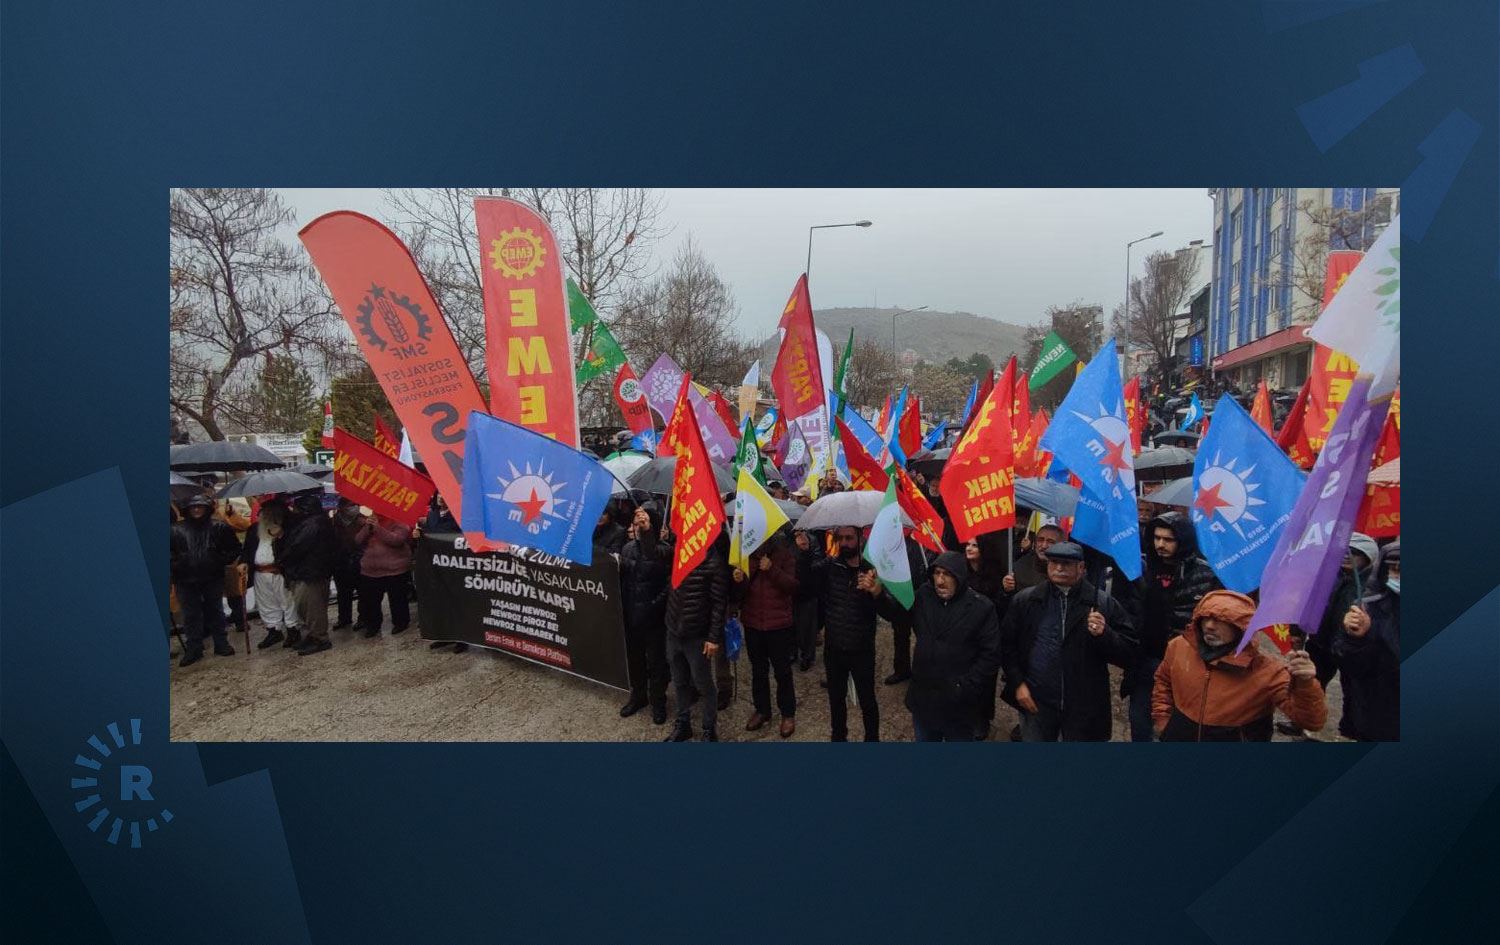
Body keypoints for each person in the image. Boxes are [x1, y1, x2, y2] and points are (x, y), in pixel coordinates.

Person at [999, 541, 1137, 741]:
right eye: (1054, 562)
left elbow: (1129, 653)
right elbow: (1008, 646)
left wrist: (1105, 634)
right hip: (1036, 701)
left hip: (1083, 706)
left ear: (1081, 568)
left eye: (1066, 563)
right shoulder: (1027, 600)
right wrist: (1017, 684)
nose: (1059, 568)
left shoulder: (1103, 604)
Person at [1152, 590, 1327, 740]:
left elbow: (1311, 721)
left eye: (1221, 620)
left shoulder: (1268, 671)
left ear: (1241, 628)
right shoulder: (1179, 647)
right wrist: (1163, 722)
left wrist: (1305, 684)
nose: (1210, 626)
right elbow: (1163, 681)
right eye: (1205, 618)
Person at [1129, 511, 1221, 741]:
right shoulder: (1142, 569)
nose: (1160, 544)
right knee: (1139, 722)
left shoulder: (1205, 574)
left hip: (1186, 663)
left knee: (1177, 725)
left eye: (1168, 539)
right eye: (1157, 538)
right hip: (1146, 660)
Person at [904, 550, 1003, 741]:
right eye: (937, 573)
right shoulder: (924, 595)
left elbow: (990, 655)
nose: (940, 580)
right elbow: (899, 615)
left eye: (947, 574)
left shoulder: (981, 607)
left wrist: (964, 686)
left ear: (960, 576)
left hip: (958, 705)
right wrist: (878, 595)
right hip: (924, 698)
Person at [805, 526, 886, 741]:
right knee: (836, 699)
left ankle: (872, 741)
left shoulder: (873, 569)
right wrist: (804, 552)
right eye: (840, 538)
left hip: (862, 649)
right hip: (834, 649)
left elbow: (893, 612)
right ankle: (838, 738)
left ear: (860, 539)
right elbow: (806, 582)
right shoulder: (831, 565)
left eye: (849, 538)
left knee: (867, 700)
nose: (844, 543)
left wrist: (877, 592)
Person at [662, 534, 731, 742]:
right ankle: (683, 724)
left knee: (704, 685)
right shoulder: (678, 553)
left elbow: (719, 605)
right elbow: (653, 553)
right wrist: (647, 532)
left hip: (697, 637)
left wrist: (713, 638)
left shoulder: (714, 562)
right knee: (680, 682)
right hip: (674, 632)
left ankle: (709, 729)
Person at [732, 527, 799, 738]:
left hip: (778, 626)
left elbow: (793, 587)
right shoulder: (744, 557)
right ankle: (762, 710)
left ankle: (788, 713)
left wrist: (771, 569)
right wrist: (737, 580)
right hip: (752, 625)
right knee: (758, 671)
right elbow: (737, 595)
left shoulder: (784, 554)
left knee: (783, 672)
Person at [1332, 539, 1399, 741]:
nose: (1397, 574)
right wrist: (1355, 638)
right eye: (1392, 569)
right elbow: (1355, 667)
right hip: (1376, 711)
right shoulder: (1367, 609)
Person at [169, 494, 243, 666]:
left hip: (212, 577)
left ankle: (221, 643)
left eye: (200, 506)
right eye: (193, 507)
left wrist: (219, 559)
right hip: (185, 579)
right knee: (190, 615)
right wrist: (177, 564)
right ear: (186, 509)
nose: (196, 510)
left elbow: (235, 548)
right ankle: (194, 648)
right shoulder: (174, 530)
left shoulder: (219, 527)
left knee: (215, 611)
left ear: (207, 508)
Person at [618, 502, 671, 724]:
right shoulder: (628, 548)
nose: (638, 526)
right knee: (635, 661)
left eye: (645, 523)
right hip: (632, 618)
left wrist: (653, 605)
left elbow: (669, 585)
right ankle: (638, 696)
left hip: (654, 619)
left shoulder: (665, 550)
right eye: (637, 522)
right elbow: (621, 581)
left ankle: (658, 701)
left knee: (657, 664)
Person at [239, 495, 301, 650]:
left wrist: (280, 536)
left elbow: (293, 550)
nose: (264, 516)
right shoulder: (254, 529)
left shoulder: (288, 529)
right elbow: (247, 550)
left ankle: (293, 630)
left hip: (279, 573)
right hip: (260, 573)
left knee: (287, 602)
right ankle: (274, 631)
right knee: (266, 604)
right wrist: (243, 562)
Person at [279, 492, 336, 656]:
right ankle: (313, 635)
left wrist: (284, 554)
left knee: (313, 607)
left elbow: (297, 547)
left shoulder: (313, 524)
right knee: (305, 606)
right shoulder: (310, 522)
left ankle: (320, 638)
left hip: (312, 572)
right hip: (307, 571)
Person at [962, 534, 1007, 739]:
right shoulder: (960, 572)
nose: (969, 548)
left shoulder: (996, 575)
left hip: (988, 635)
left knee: (986, 679)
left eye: (975, 545)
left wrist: (1006, 592)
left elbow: (1000, 606)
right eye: (968, 545)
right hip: (965, 634)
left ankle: (983, 719)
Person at [355, 509, 413, 637]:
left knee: (397, 598)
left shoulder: (399, 519)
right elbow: (358, 540)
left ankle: (400, 623)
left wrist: (378, 528)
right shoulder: (369, 520)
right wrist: (367, 528)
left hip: (395, 568)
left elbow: (397, 540)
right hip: (371, 569)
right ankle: (372, 625)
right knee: (371, 600)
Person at [791, 528, 824, 671]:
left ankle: (808, 656)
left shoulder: (812, 540)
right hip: (791, 588)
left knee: (808, 626)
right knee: (792, 624)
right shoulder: (787, 540)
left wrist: (805, 551)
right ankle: (793, 652)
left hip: (808, 589)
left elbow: (815, 565)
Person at [330, 498, 364, 630]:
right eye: (351, 505)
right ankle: (344, 618)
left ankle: (363, 618)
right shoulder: (334, 521)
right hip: (341, 561)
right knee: (343, 593)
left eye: (356, 504)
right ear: (342, 507)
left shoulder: (361, 520)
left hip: (358, 559)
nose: (354, 507)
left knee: (362, 592)